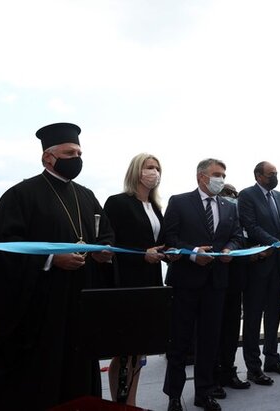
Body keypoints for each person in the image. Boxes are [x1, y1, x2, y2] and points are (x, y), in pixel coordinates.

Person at [0, 123, 114, 409]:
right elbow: (3, 247)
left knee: (81, 368)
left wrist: (103, 254)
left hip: (81, 298)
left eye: (80, 152)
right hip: (43, 305)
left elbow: (104, 234)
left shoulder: (86, 195)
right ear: (48, 157)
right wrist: (51, 260)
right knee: (45, 371)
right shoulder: (20, 195)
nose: (77, 159)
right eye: (70, 152)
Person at [162, 158, 244, 411]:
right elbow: (169, 239)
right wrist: (193, 252)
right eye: (217, 174)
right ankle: (174, 395)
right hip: (186, 282)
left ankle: (204, 392)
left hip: (216, 284)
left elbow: (237, 236)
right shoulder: (179, 202)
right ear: (201, 177)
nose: (221, 178)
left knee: (209, 341)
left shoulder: (229, 207)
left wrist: (231, 248)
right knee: (180, 341)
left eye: (223, 174)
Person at [103, 153, 173, 405]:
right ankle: (121, 403)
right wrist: (142, 256)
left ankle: (130, 402)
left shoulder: (155, 207)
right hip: (127, 282)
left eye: (157, 168)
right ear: (136, 171)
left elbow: (156, 244)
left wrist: (168, 252)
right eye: (149, 167)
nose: (154, 172)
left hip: (151, 282)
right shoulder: (117, 202)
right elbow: (110, 246)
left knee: (138, 349)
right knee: (124, 350)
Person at [239, 161, 280, 385]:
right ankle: (253, 368)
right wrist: (276, 243)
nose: (275, 177)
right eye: (270, 174)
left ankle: (272, 359)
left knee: (273, 314)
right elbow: (251, 226)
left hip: (278, 265)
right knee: (254, 317)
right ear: (258, 176)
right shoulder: (247, 196)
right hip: (258, 264)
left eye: (276, 173)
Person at [214, 184, 251, 390]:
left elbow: (241, 240)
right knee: (214, 331)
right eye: (227, 195)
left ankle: (229, 371)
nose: (232, 199)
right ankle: (214, 375)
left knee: (231, 329)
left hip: (235, 280)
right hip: (214, 279)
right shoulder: (212, 216)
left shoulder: (239, 217)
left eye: (234, 195)